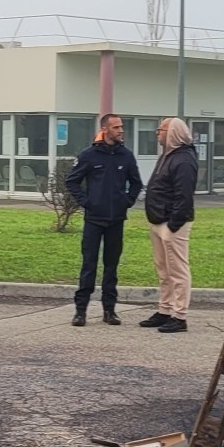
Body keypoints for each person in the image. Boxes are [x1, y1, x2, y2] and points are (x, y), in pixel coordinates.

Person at [65, 113, 143, 327]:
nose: (121, 131)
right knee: (89, 265)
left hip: (116, 220)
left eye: (121, 127)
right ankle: (80, 311)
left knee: (111, 267)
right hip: (94, 220)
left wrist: (126, 201)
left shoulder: (126, 156)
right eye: (116, 127)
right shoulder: (89, 155)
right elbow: (72, 181)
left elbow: (136, 183)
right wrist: (86, 202)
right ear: (105, 129)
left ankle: (110, 310)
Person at [140, 117, 199, 334]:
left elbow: (184, 195)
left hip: (173, 225)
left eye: (161, 129)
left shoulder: (184, 159)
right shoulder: (167, 155)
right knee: (163, 270)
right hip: (157, 222)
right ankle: (164, 310)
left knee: (178, 271)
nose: (157, 133)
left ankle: (179, 316)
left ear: (172, 132)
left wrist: (173, 224)